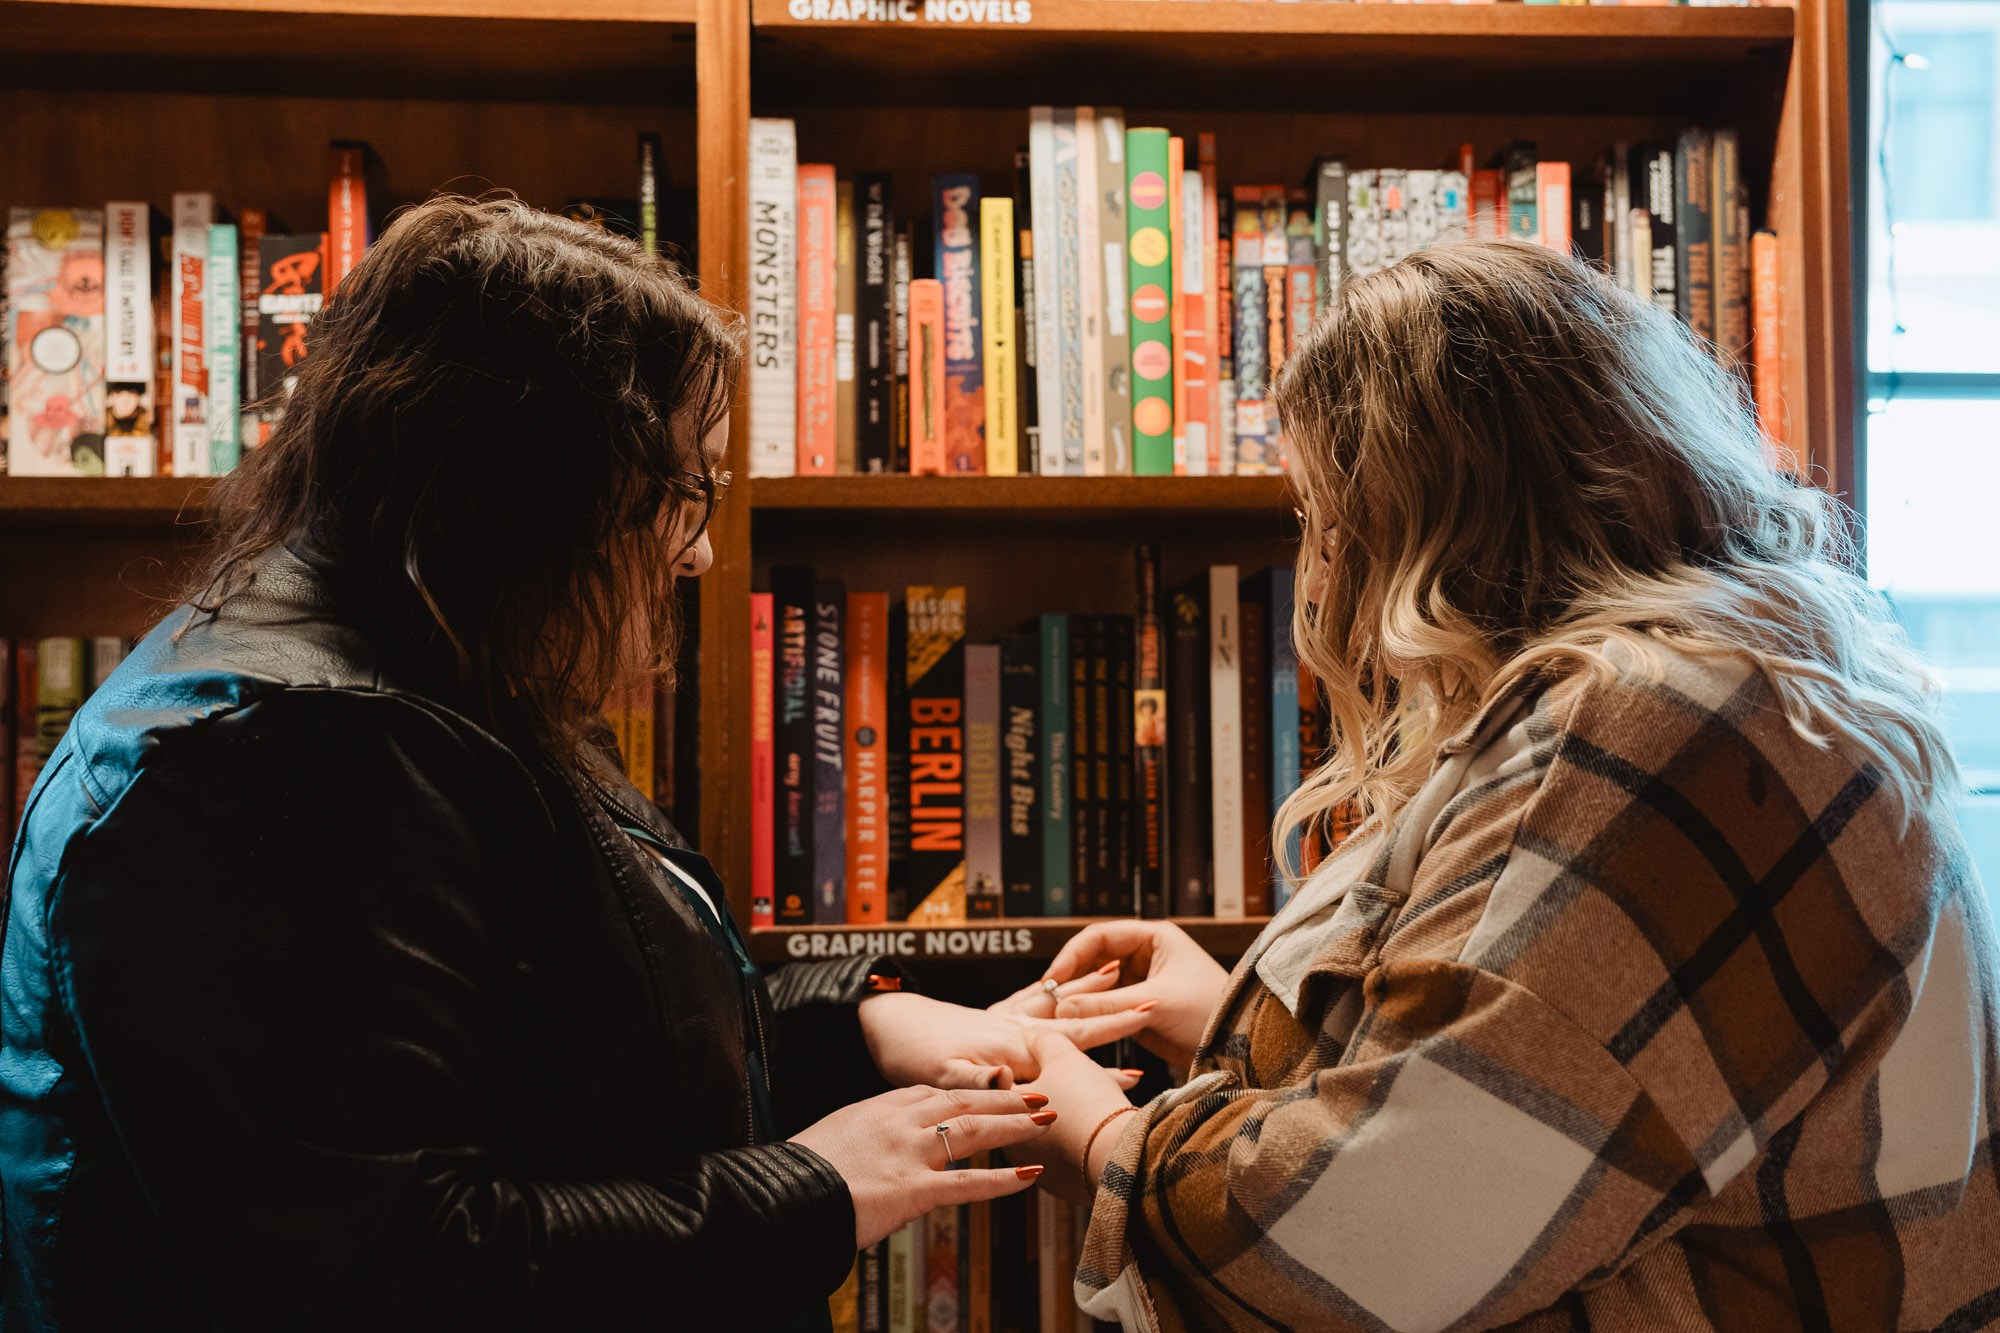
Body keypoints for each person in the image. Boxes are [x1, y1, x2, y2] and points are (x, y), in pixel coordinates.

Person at [0, 197, 1149, 1331]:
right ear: (532, 479)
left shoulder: (432, 664)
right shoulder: (282, 752)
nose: (698, 548)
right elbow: (399, 1277)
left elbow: (564, 1035)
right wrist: (819, 1187)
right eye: (684, 485)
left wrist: (855, 1026)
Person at [1010, 239, 2000, 1330]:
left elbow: (1373, 1237)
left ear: (1416, 522)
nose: (1320, 564)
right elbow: (1563, 1079)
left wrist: (1094, 1132)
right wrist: (1224, 1013)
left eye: (1325, 517)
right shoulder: (1748, 685)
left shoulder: (1645, 720)